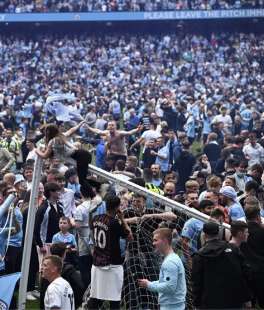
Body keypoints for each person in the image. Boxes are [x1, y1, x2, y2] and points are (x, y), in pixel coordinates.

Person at [192, 222, 252, 309]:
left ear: (204, 235)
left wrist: (196, 303)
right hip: (234, 301)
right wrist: (247, 298)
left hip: (210, 303)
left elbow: (197, 282)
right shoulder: (233, 249)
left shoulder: (199, 256)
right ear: (218, 233)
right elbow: (245, 274)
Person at [88, 194, 132, 310]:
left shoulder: (96, 219)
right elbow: (129, 236)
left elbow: (91, 230)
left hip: (97, 262)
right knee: (114, 298)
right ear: (117, 207)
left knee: (95, 295)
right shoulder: (114, 223)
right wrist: (122, 219)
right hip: (113, 264)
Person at [138, 228, 186, 310]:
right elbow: (166, 282)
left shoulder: (170, 262)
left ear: (165, 241)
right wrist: (150, 283)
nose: (153, 243)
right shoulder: (171, 258)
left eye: (155, 240)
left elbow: (169, 287)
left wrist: (149, 285)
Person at [241, 205, 264, 308]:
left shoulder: (240, 232)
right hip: (261, 270)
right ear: (258, 217)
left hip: (246, 270)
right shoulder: (261, 231)